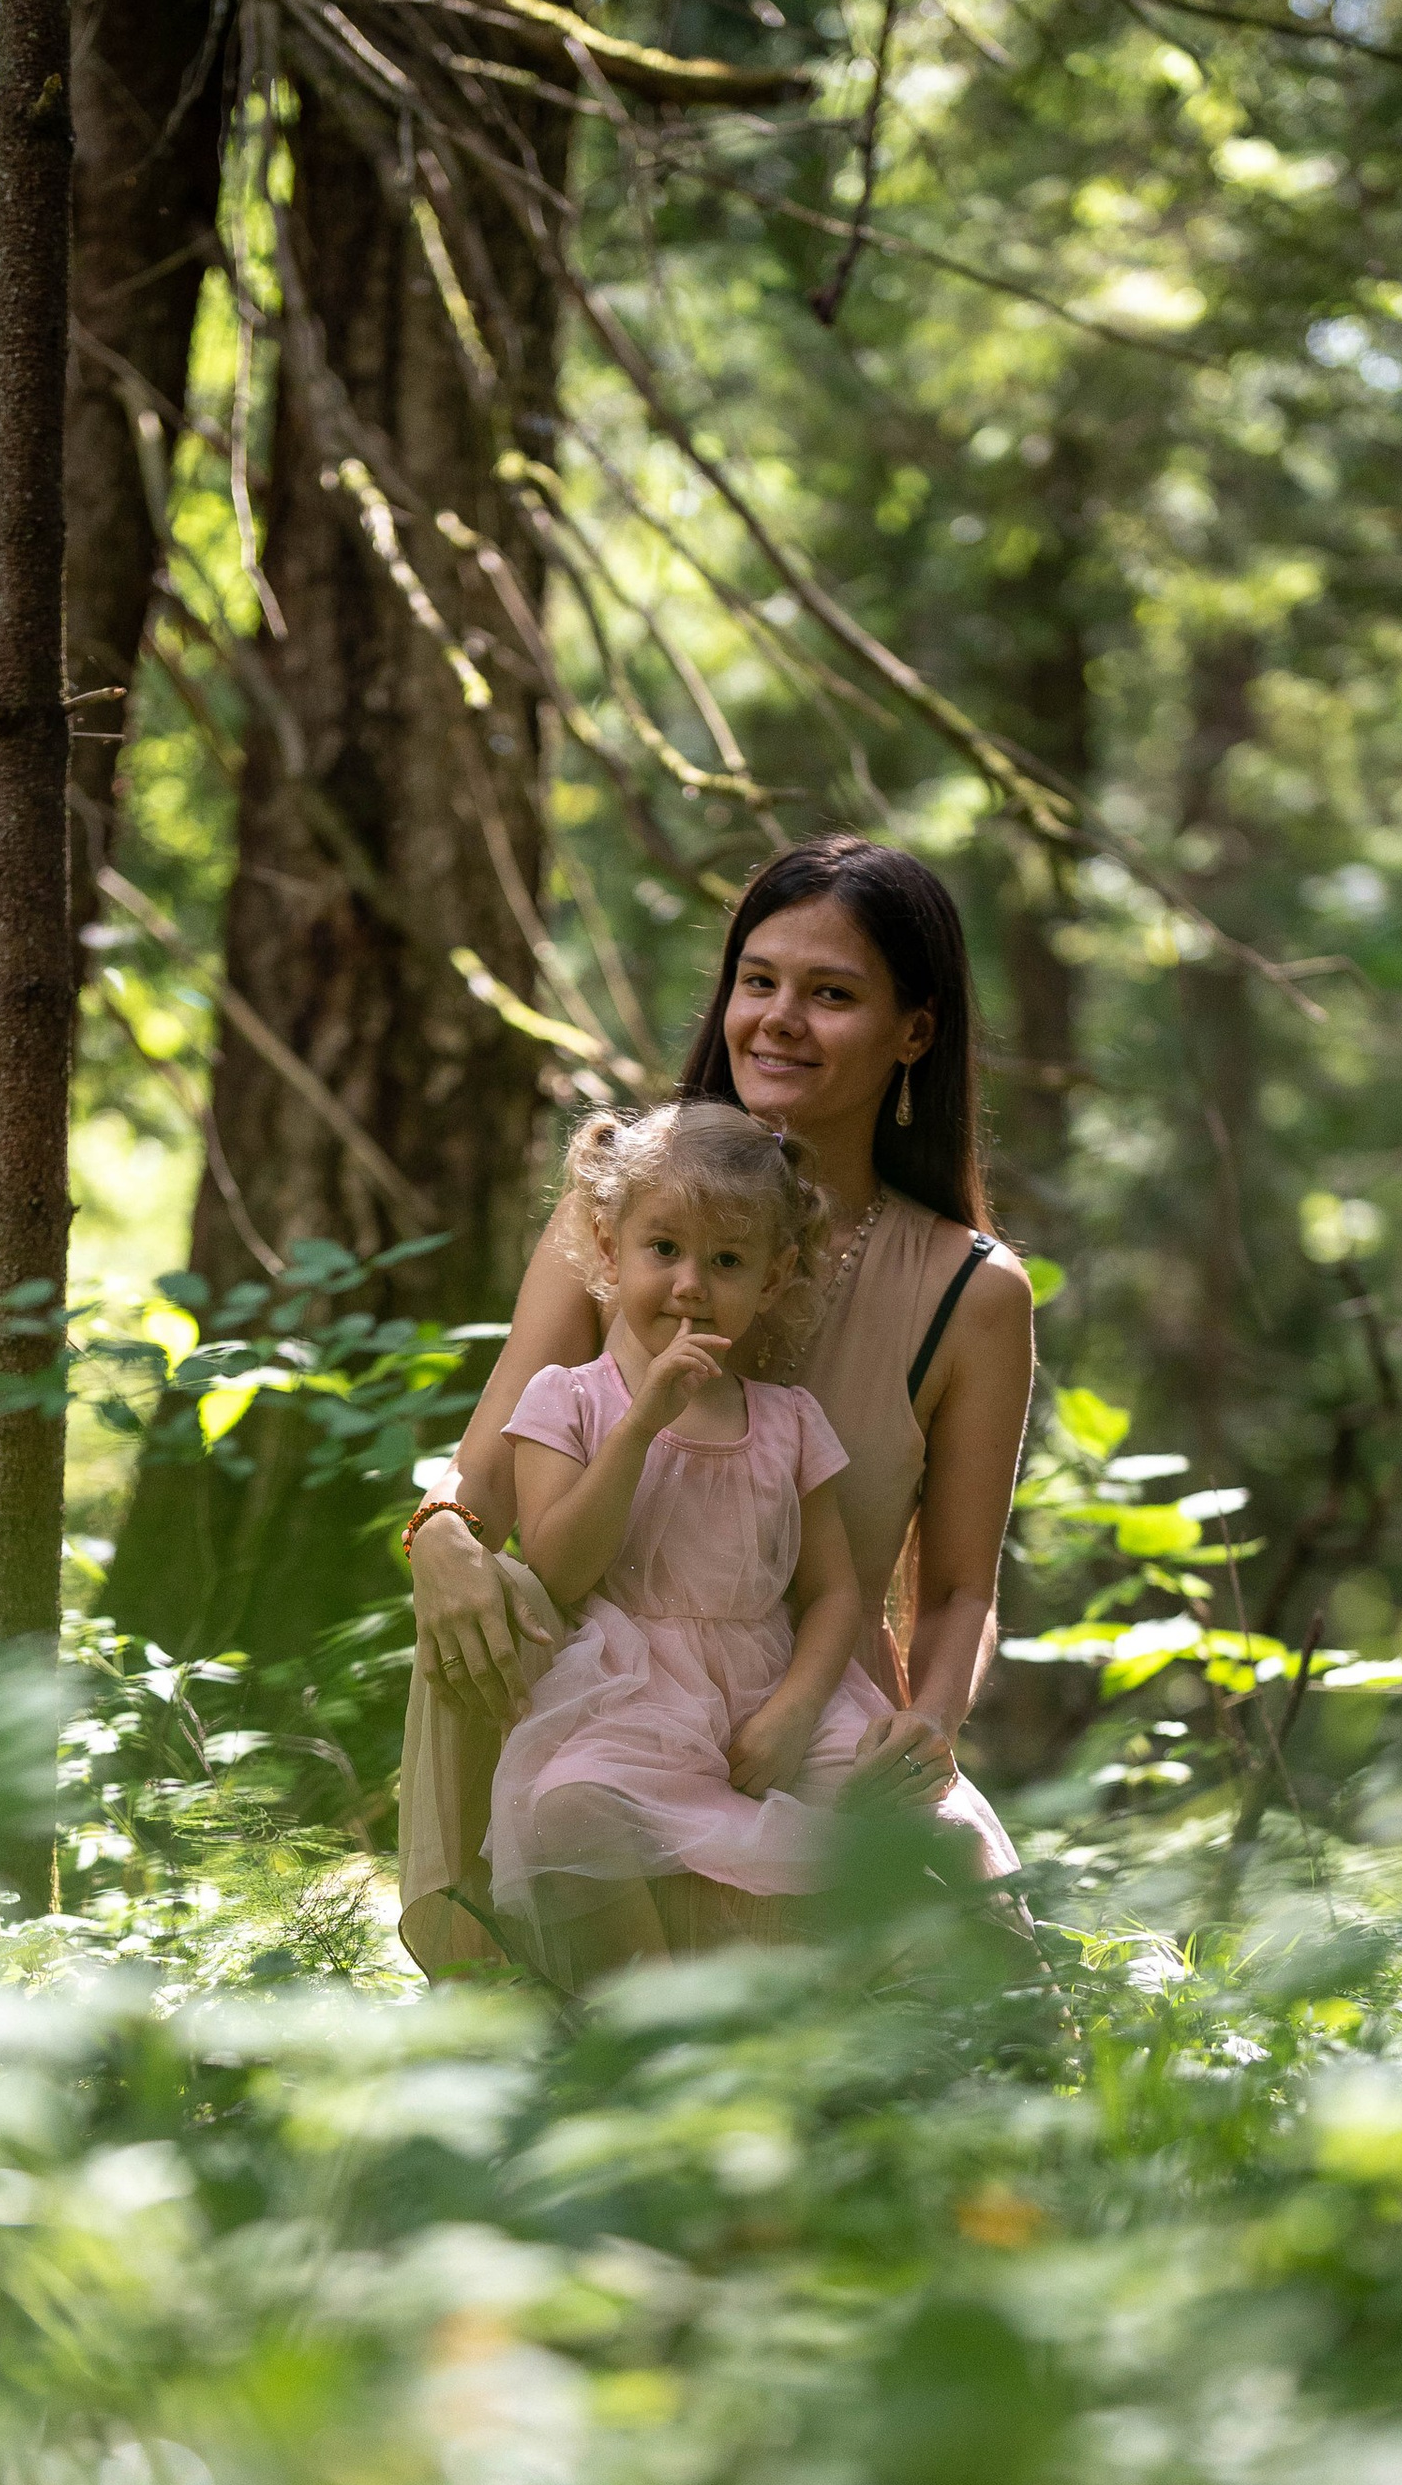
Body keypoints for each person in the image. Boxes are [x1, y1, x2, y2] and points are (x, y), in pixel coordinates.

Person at [400, 833, 1033, 1976]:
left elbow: (959, 1589)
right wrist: (438, 1532)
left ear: (914, 1033)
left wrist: (931, 1723)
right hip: (616, 1712)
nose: (779, 1019)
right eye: (759, 982)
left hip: (807, 1726)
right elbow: (488, 1459)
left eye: (831, 995)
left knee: (979, 1991)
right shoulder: (626, 1215)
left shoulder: (969, 1290)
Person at [493, 1102, 932, 1984]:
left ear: (771, 1281)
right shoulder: (566, 1401)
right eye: (665, 1250)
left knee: (904, 1816)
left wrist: (797, 1710)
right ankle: (644, 2026)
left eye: (727, 1261)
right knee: (566, 1811)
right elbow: (556, 1565)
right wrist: (641, 1423)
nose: (692, 1284)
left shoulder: (788, 1420)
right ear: (609, 1251)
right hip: (635, 1695)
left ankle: (854, 2027)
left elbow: (835, 1593)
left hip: (776, 1686)